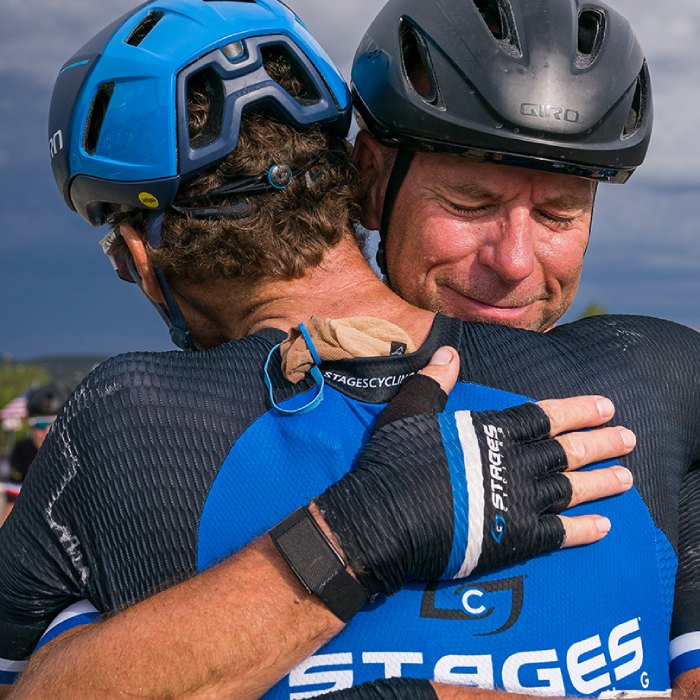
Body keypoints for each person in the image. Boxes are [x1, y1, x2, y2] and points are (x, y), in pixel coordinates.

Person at [0, 1, 697, 699]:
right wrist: (359, 535)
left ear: (138, 259)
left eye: (558, 214)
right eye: (469, 202)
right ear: (363, 178)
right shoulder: (653, 375)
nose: (513, 264)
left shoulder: (126, 423)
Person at [2, 384, 68, 522]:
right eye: (39, 424)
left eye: (55, 424)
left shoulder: (80, 451)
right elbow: (11, 505)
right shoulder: (23, 450)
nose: (47, 432)